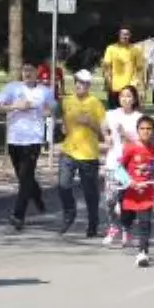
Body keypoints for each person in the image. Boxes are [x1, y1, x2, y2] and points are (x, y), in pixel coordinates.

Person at [0, 62, 54, 230]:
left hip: (33, 139)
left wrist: (45, 111)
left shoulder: (44, 91)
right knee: (22, 177)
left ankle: (18, 215)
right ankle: (37, 194)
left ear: (37, 73)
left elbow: (51, 109)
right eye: (24, 70)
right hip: (14, 139)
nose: (27, 73)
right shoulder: (12, 88)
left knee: (25, 177)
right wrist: (15, 106)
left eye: (31, 70)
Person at [57, 70, 106, 237]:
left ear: (89, 86)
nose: (79, 85)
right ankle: (69, 212)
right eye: (77, 82)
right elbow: (64, 117)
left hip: (89, 155)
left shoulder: (96, 104)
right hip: (68, 150)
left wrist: (90, 123)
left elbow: (103, 135)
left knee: (90, 193)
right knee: (63, 184)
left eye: (83, 83)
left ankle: (93, 222)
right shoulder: (67, 100)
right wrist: (63, 126)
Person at [102, 86, 144, 246]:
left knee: (126, 200)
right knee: (110, 199)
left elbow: (142, 141)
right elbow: (103, 126)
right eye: (122, 96)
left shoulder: (139, 118)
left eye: (129, 96)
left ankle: (126, 229)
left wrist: (125, 134)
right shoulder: (112, 114)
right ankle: (113, 227)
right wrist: (106, 136)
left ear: (134, 99)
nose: (125, 99)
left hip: (129, 164)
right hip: (113, 162)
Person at [118, 115, 154, 267]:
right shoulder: (131, 147)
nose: (146, 132)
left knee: (145, 222)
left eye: (149, 129)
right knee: (127, 218)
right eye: (142, 129)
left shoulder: (153, 148)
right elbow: (119, 168)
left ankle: (143, 252)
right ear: (137, 130)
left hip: (147, 192)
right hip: (130, 191)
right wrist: (129, 182)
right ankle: (125, 224)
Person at [101, 27, 146, 109]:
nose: (125, 36)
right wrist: (108, 82)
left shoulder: (136, 50)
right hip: (114, 88)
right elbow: (107, 67)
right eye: (122, 34)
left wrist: (140, 86)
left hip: (130, 89)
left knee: (128, 114)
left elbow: (140, 69)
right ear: (119, 35)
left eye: (127, 34)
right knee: (114, 113)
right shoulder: (111, 48)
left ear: (130, 36)